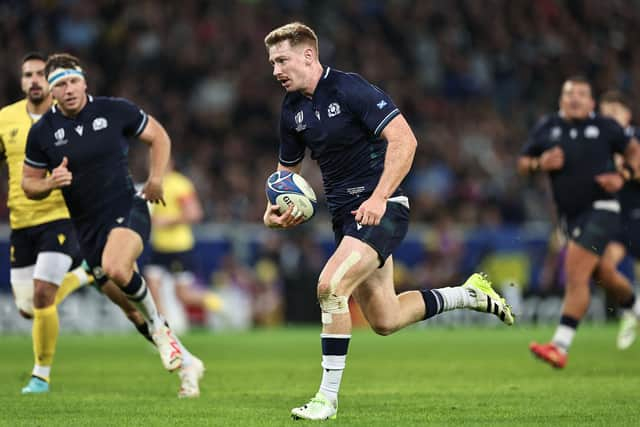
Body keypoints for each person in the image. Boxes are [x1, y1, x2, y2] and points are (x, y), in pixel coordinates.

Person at [262, 22, 514, 421]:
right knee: (385, 319)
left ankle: (326, 399)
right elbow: (284, 179)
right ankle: (468, 295)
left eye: (282, 60)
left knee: (330, 287)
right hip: (348, 218)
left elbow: (405, 141)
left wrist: (378, 197)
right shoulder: (291, 109)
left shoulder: (349, 88)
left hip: (383, 207)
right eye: (272, 62)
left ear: (308, 55)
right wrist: (274, 212)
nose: (275, 70)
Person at [21, 53, 204, 396]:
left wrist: (156, 178)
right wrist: (50, 182)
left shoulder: (114, 110)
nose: (69, 88)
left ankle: (162, 332)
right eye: (60, 84)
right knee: (130, 310)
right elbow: (28, 184)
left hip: (127, 208)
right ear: (51, 91)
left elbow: (159, 136)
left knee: (117, 268)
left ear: (84, 82)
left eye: (74, 80)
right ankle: (188, 364)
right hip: (87, 228)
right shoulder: (43, 132)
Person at [518, 76, 640, 368]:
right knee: (602, 275)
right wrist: (538, 164)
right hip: (569, 218)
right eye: (569, 94)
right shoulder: (548, 127)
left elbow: (634, 151)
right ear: (561, 99)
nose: (575, 99)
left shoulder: (606, 128)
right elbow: (522, 164)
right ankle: (633, 306)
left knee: (575, 272)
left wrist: (622, 176)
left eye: (582, 94)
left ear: (591, 102)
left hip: (602, 209)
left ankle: (560, 345)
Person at [144, 159, 222, 334]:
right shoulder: (152, 184)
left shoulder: (180, 184)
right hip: (159, 247)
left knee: (183, 295)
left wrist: (167, 221)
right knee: (152, 286)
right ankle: (163, 331)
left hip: (179, 247)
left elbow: (195, 213)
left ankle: (218, 303)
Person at [598, 90, 640, 350]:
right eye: (605, 115)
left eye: (614, 113)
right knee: (603, 268)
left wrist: (621, 167)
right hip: (615, 219)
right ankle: (632, 308)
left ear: (627, 115)